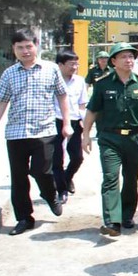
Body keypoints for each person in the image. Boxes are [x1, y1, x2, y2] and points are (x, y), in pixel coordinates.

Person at [0, 29, 70, 235]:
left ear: (36, 46)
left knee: (42, 170)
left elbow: (62, 96)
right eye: (20, 47)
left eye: (28, 46)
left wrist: (66, 123)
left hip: (44, 131)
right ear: (14, 49)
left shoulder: (50, 69)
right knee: (19, 177)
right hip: (16, 133)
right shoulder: (9, 74)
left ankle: (50, 195)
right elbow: (1, 102)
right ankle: (24, 218)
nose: (25, 51)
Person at [81, 42, 138, 236]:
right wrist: (85, 135)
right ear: (114, 61)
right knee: (110, 177)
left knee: (131, 179)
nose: (129, 60)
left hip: (134, 138)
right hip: (109, 138)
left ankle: (126, 215)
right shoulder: (103, 84)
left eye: (131, 57)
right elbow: (92, 111)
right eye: (124, 57)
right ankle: (111, 221)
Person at [52, 50, 88, 204]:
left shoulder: (79, 81)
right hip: (55, 121)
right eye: (71, 64)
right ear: (60, 65)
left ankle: (67, 178)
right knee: (56, 158)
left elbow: (82, 104)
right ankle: (61, 190)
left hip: (74, 121)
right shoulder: (52, 80)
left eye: (76, 63)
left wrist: (84, 122)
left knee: (77, 157)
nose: (75, 67)